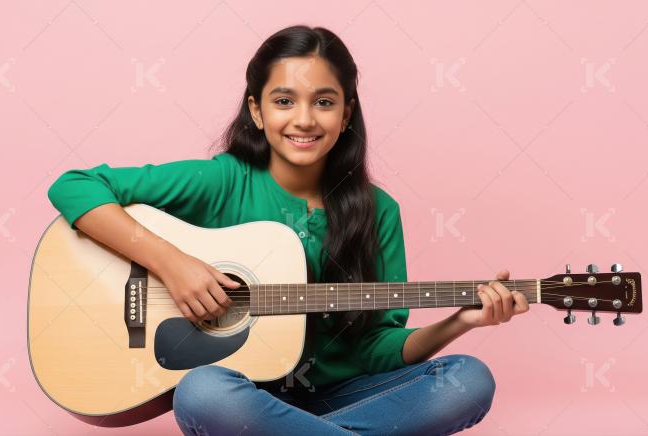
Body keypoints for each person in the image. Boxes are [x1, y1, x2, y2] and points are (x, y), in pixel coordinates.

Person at [47, 24, 529, 435]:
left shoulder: (378, 211)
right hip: (248, 395)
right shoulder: (223, 181)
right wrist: (173, 265)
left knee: (469, 380)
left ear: (346, 113)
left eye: (324, 102)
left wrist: (460, 321)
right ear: (257, 111)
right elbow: (75, 186)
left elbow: (376, 348)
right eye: (284, 100)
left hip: (346, 398)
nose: (304, 119)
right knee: (201, 391)